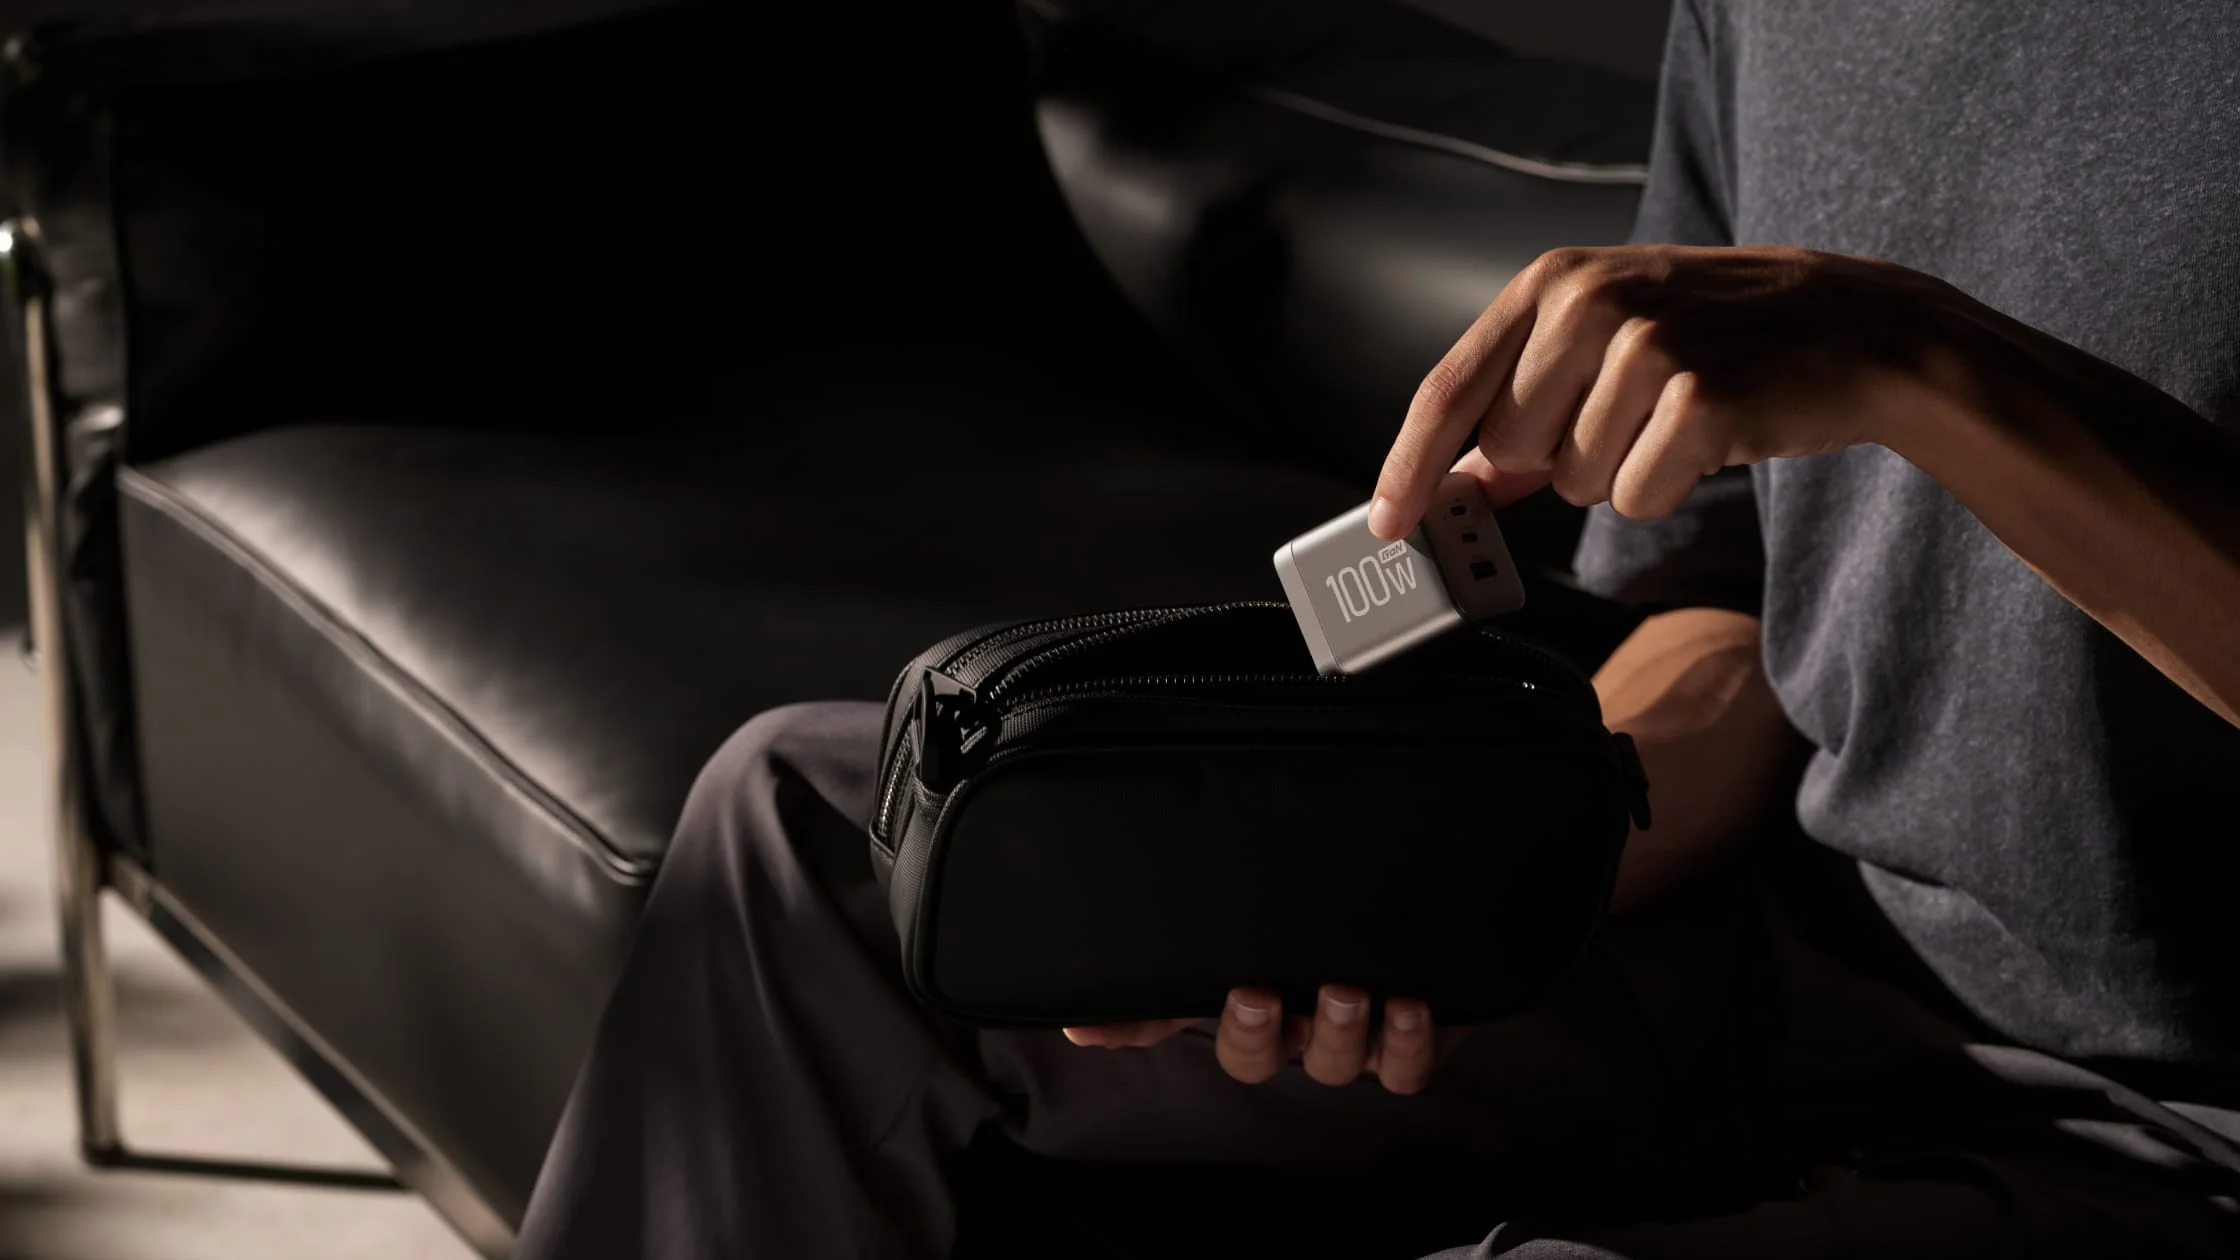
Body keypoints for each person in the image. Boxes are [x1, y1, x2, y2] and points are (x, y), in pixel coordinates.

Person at [513, 1, 2240, 1255]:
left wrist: (1932, 367)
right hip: (1792, 952)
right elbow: (1727, 606)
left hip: (2180, 1113)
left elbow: (1888, 377)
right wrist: (1412, 873)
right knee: (814, 832)